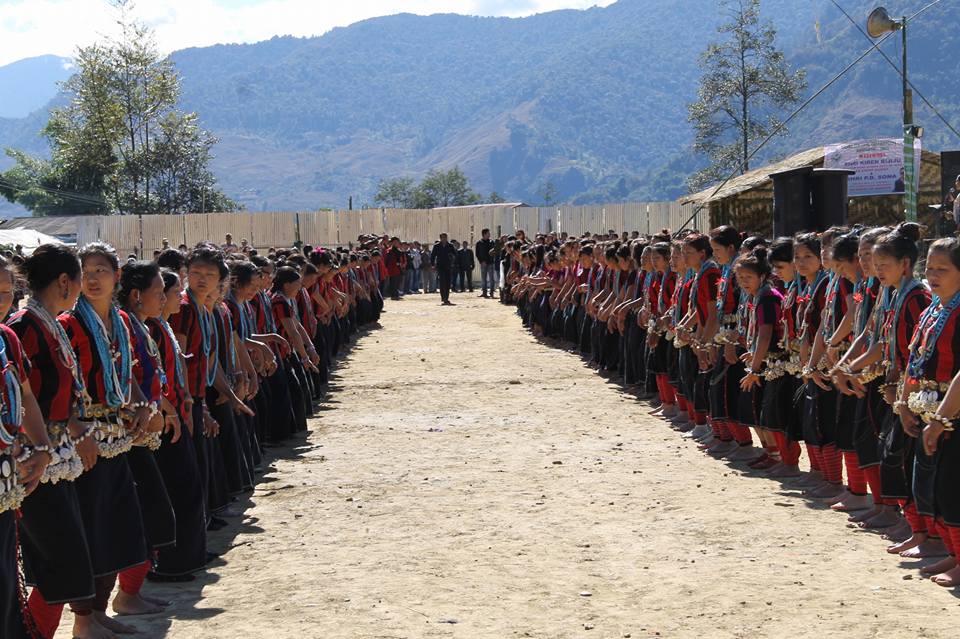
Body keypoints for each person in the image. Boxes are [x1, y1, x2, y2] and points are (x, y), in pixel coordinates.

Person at [431, 233, 457, 306]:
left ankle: (447, 297)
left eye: (445, 237)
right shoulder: (436, 246)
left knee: (448, 282)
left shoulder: (450, 245)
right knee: (442, 282)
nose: (444, 239)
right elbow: (433, 256)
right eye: (443, 237)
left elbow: (455, 254)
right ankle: (444, 298)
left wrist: (452, 260)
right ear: (440, 238)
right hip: (440, 266)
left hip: (448, 266)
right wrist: (432, 265)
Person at [476, 229, 496, 298]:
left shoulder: (491, 242)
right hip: (483, 263)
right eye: (488, 233)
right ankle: (484, 293)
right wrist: (481, 261)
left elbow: (495, 252)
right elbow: (477, 253)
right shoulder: (479, 243)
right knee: (483, 279)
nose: (489, 234)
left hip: (490, 263)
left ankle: (491, 293)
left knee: (491, 279)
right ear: (484, 234)